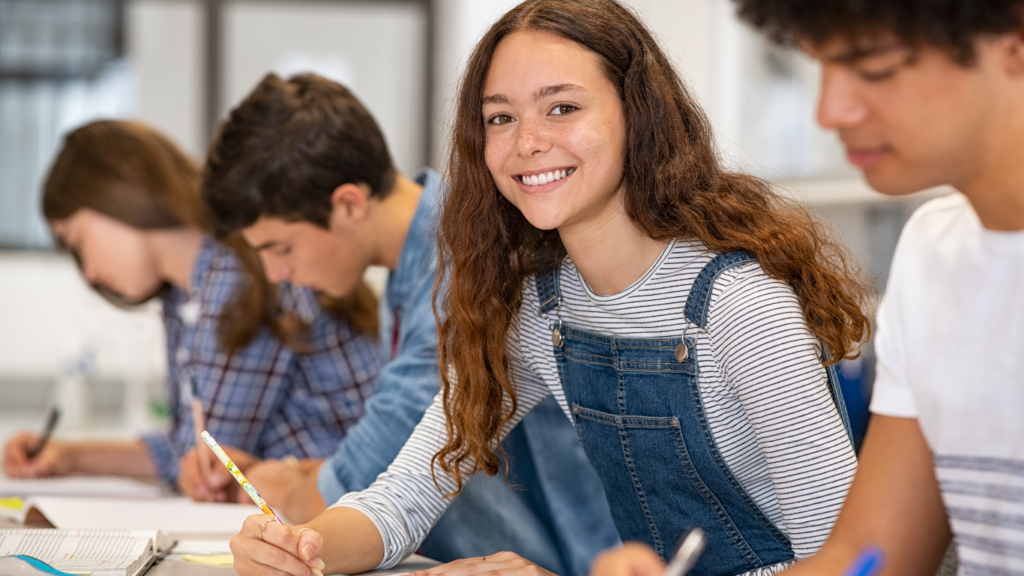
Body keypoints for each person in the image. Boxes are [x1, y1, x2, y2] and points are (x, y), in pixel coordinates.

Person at [226, 1, 875, 575]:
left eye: (561, 108)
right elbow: (403, 497)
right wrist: (300, 547)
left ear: (638, 116)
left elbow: (848, 563)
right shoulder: (539, 309)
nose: (526, 143)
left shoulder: (740, 306)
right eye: (500, 118)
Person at [592, 1, 1024, 575]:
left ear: (1014, 46)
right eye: (821, 67)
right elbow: (868, 559)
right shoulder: (934, 254)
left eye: (873, 67)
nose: (830, 111)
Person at [196, 72, 621, 576]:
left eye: (280, 248)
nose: (276, 274)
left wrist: (287, 486)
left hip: (568, 559)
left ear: (350, 203)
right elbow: (405, 476)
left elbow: (365, 468)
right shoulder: (408, 269)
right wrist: (292, 488)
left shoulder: (463, 265)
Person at [1, 120, 380, 490]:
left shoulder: (239, 277)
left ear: (118, 195)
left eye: (79, 241)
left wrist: (75, 457)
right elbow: (189, 448)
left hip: (351, 507)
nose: (90, 274)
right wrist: (66, 456)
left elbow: (206, 462)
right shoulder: (187, 293)